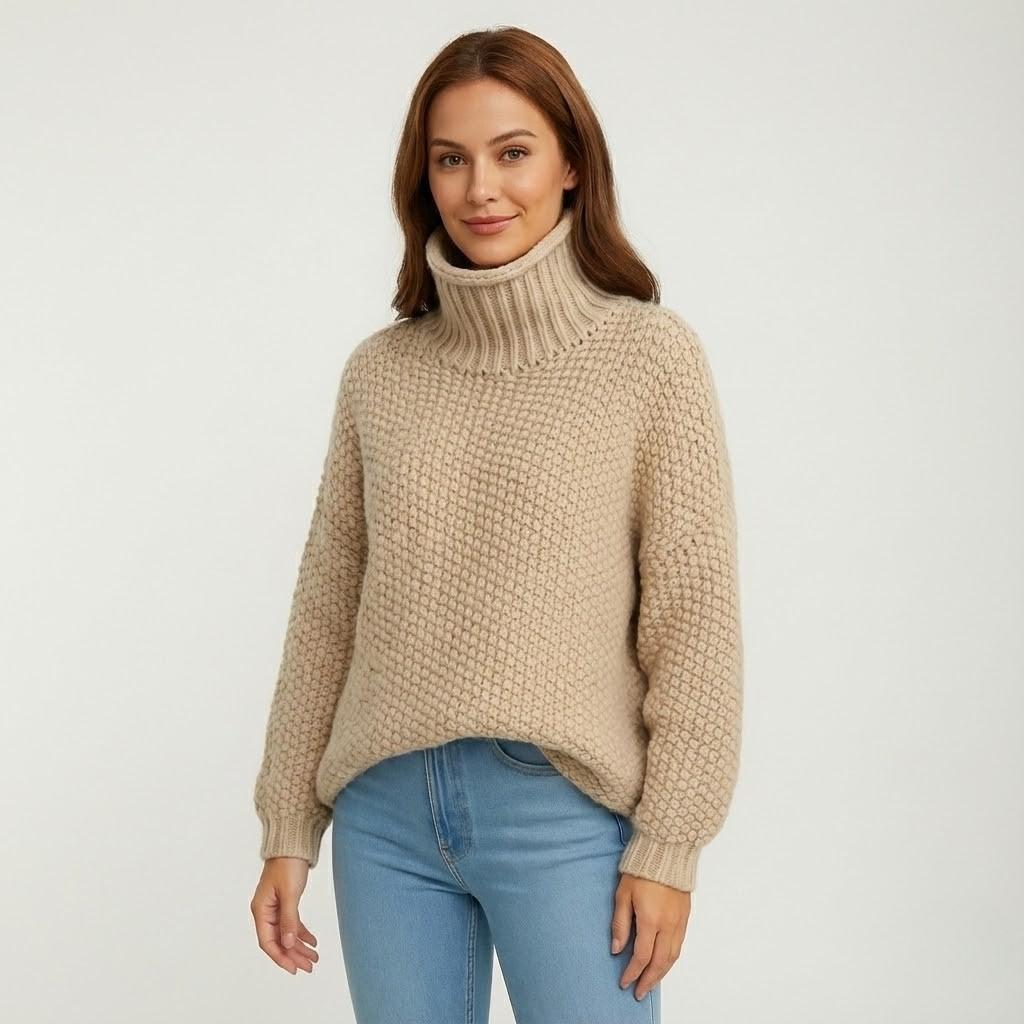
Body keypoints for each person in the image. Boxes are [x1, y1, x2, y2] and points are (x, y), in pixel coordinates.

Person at [250, 25, 743, 1024]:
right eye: (451, 159)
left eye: (513, 152)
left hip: (562, 810)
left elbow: (693, 620)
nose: (481, 188)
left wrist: (670, 844)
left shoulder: (648, 356)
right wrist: (288, 823)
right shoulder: (381, 372)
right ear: (422, 177)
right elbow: (328, 608)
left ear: (571, 164)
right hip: (383, 816)